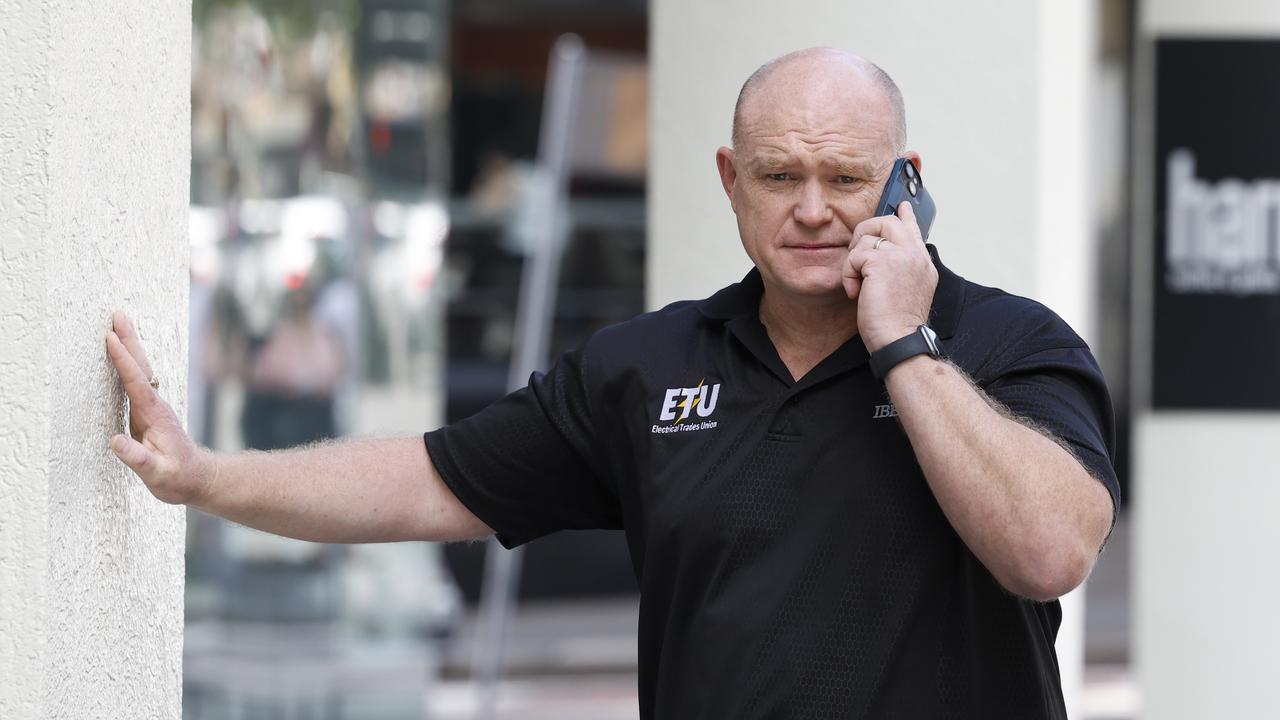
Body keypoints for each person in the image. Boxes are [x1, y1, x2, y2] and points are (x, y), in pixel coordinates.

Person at [107, 47, 1117, 719]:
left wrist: (902, 342)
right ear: (729, 179)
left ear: (905, 180)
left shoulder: (1002, 344)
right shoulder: (647, 367)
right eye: (777, 177)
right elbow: (426, 481)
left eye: (846, 181)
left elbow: (1047, 549)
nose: (811, 210)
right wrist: (203, 479)